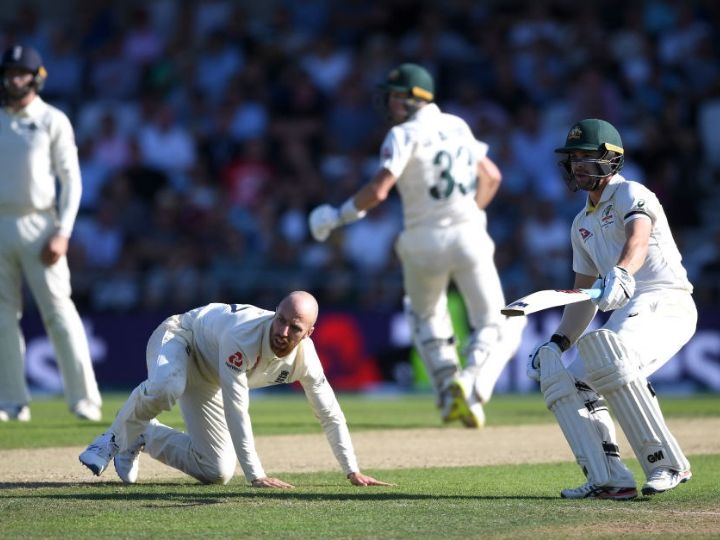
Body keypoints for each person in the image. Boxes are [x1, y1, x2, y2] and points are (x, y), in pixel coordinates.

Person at [308, 63, 525, 428]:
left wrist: (338, 215)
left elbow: (378, 190)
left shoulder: (402, 134)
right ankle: (470, 382)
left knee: (424, 315)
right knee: (494, 322)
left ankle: (446, 387)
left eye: (394, 95)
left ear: (412, 99)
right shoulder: (458, 124)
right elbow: (492, 175)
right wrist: (471, 210)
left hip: (422, 239)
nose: (389, 103)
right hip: (468, 233)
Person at [527, 118, 696, 499]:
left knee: (609, 357)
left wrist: (620, 272)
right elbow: (582, 294)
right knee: (570, 381)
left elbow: (638, 238)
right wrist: (558, 342)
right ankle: (610, 478)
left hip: (665, 300)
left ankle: (667, 463)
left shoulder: (631, 193)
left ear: (611, 159)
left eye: (586, 158)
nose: (577, 167)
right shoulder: (580, 223)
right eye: (573, 159)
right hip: (628, 308)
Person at [79, 291, 392, 488]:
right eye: (280, 319)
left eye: (294, 328)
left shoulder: (306, 359)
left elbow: (330, 415)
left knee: (215, 470)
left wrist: (352, 470)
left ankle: (145, 434)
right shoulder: (243, 336)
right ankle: (113, 438)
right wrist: (256, 474)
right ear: (275, 312)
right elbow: (237, 409)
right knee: (167, 386)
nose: (282, 332)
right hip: (181, 338)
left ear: (309, 332)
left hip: (209, 377)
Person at [0, 45, 101, 422]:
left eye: (20, 73)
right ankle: (12, 401)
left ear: (36, 77)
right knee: (1, 316)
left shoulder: (51, 120)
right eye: (9, 72)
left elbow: (70, 179)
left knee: (59, 311)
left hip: (39, 223)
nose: (13, 79)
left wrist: (63, 231)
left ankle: (84, 400)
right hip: (0, 223)